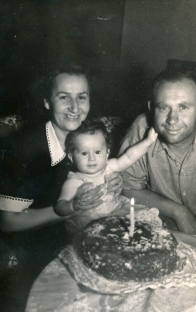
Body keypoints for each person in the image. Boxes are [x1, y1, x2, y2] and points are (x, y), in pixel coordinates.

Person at [0, 65, 122, 311]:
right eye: (64, 97)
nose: (75, 108)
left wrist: (112, 181)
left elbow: (102, 174)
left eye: (82, 97)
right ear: (47, 102)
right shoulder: (25, 149)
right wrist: (69, 210)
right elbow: (8, 221)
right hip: (30, 244)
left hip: (74, 232)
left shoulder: (90, 136)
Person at [119, 68, 196, 235]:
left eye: (183, 107)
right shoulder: (142, 129)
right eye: (163, 107)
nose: (172, 119)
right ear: (151, 108)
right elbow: (126, 187)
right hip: (164, 226)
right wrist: (179, 213)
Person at [54, 120, 157, 232]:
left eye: (97, 152)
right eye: (84, 153)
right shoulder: (74, 181)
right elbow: (60, 207)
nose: (91, 158)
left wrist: (147, 141)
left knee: (140, 223)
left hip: (116, 213)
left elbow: (129, 157)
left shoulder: (109, 166)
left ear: (107, 152)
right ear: (71, 157)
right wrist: (74, 205)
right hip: (89, 226)